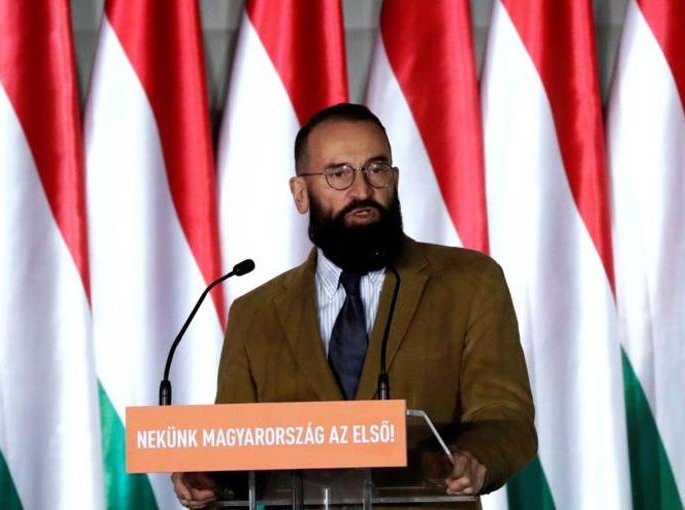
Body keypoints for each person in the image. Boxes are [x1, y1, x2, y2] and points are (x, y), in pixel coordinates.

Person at [172, 103, 536, 509]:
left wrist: (473, 458)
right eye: (338, 173)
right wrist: (210, 478)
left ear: (394, 180)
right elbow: (236, 446)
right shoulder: (255, 314)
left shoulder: (469, 282)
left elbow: (506, 417)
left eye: (376, 169)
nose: (361, 190)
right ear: (300, 193)